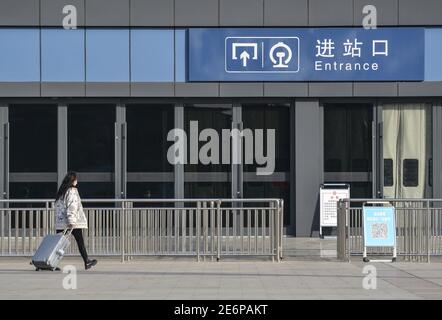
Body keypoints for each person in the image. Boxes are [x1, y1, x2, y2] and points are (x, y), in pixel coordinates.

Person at [55, 171, 97, 270]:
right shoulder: (72, 191)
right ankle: (86, 261)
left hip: (61, 222)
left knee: (57, 244)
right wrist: (72, 221)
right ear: (72, 180)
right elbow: (72, 206)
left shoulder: (62, 191)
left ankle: (50, 261)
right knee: (80, 242)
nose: (77, 181)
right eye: (76, 179)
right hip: (71, 223)